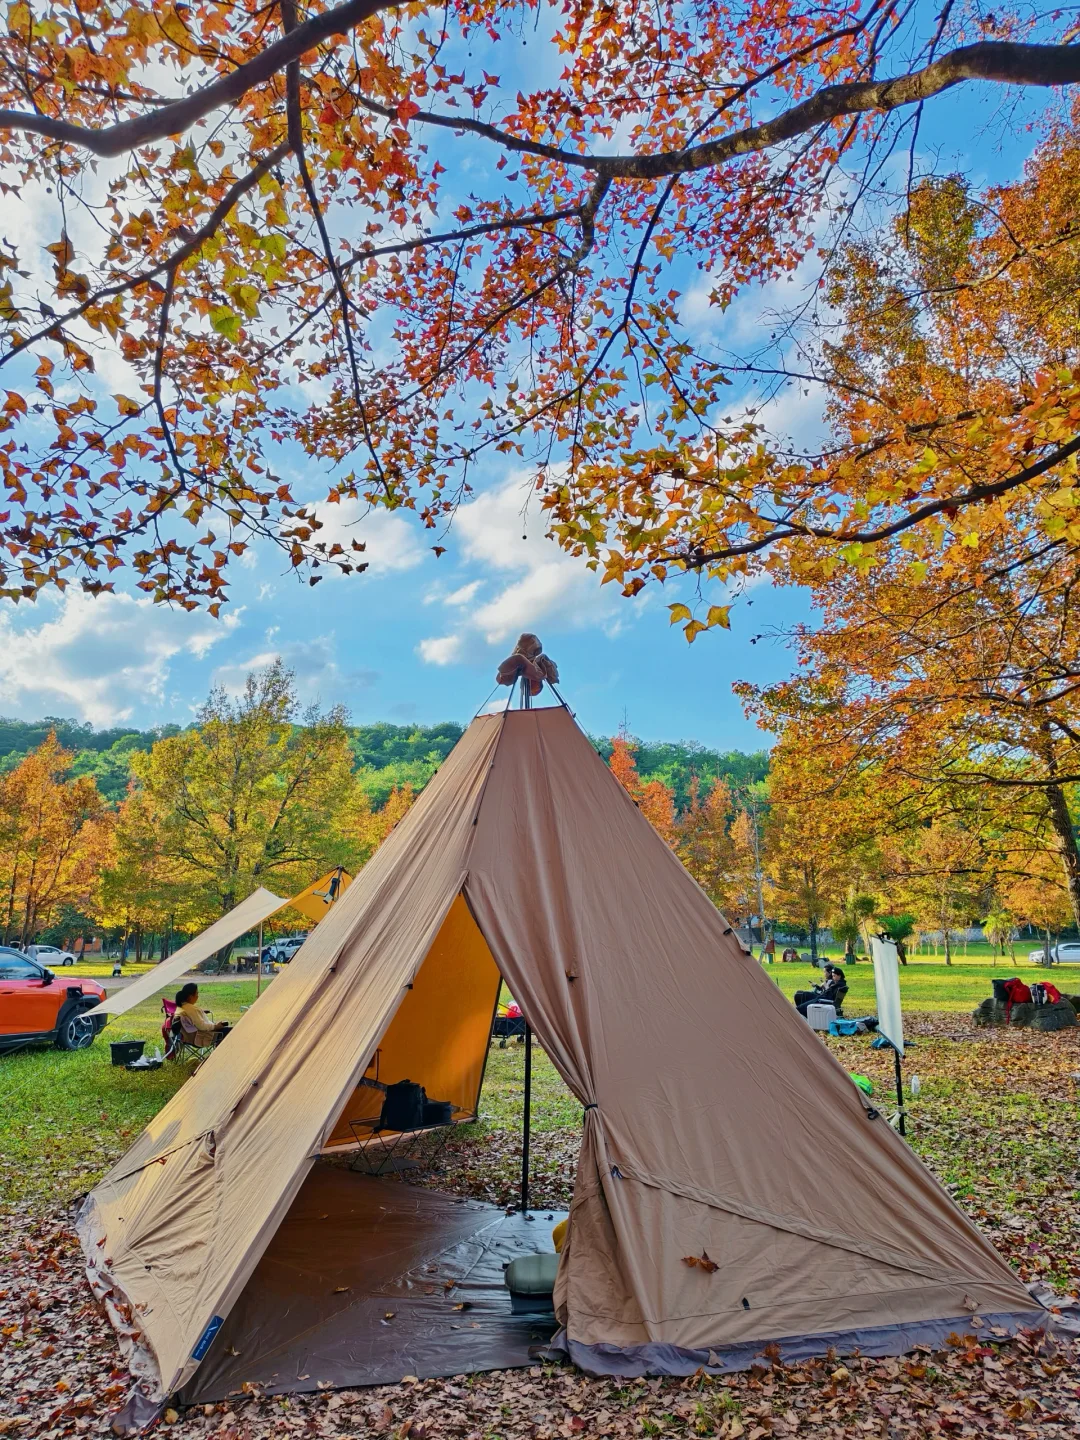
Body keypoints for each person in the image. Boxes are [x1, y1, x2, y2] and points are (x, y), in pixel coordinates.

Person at [175, 982, 230, 1047]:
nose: (197, 996)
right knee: (231, 1031)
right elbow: (202, 1026)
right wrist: (215, 1026)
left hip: (188, 1038)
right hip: (201, 1038)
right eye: (197, 993)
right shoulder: (192, 1010)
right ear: (190, 997)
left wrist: (200, 1013)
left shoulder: (181, 1007)